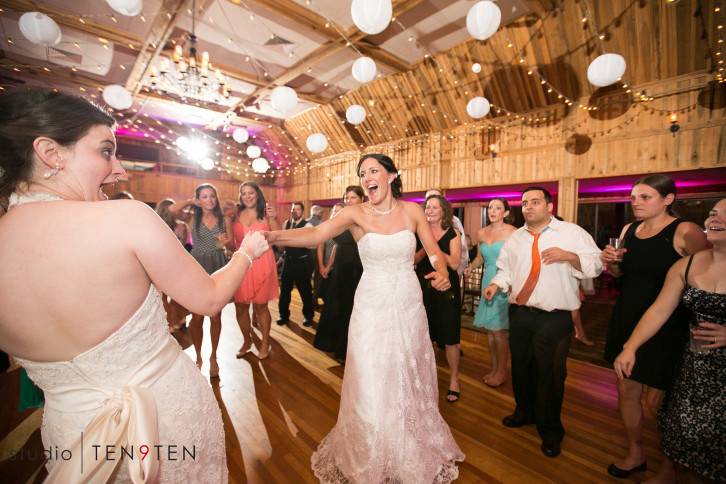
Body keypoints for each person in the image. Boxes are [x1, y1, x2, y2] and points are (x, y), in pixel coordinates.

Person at [0, 88, 269, 482]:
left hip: (71, 436)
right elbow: (208, 299)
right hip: (166, 417)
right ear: (50, 153)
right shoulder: (125, 218)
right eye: (106, 151)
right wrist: (246, 252)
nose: (120, 169)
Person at [265, 153, 464, 482]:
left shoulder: (412, 211)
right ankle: (369, 452)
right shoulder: (353, 213)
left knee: (406, 370)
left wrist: (442, 272)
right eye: (362, 173)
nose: (367, 176)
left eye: (374, 170)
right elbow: (316, 235)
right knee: (371, 376)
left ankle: (407, 448)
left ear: (391, 175)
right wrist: (273, 237)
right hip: (371, 303)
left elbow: (433, 252)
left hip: (408, 302)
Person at [601, 174, 708, 480]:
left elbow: (709, 280)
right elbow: (621, 275)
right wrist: (612, 263)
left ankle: (669, 465)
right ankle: (636, 452)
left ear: (668, 199)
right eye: (634, 197)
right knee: (627, 389)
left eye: (645, 197)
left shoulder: (684, 231)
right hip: (627, 318)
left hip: (669, 326)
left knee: (658, 402)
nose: (636, 203)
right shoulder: (629, 230)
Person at [483, 187, 603, 458]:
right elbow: (506, 270)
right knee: (522, 367)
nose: (528, 207)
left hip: (555, 317)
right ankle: (524, 412)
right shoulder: (516, 238)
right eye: (524, 203)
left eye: (535, 202)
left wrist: (570, 256)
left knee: (551, 374)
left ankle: (551, 429)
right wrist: (495, 284)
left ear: (549, 206)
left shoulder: (571, 233)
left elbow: (597, 265)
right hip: (521, 314)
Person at [170, 184, 233, 378]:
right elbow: (172, 209)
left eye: (212, 196)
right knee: (196, 317)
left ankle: (214, 356)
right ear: (199, 199)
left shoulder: (224, 218)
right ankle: (199, 356)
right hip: (197, 267)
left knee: (215, 316)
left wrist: (224, 243)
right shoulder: (191, 217)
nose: (209, 200)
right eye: (204, 197)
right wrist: (190, 201)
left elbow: (229, 241)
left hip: (217, 265)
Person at [414, 194, 463, 402]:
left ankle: (454, 379)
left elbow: (453, 263)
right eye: (427, 208)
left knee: (450, 335)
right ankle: (428, 377)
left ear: (443, 211)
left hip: (446, 288)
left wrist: (433, 246)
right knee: (426, 334)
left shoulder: (453, 234)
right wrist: (426, 247)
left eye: (434, 207)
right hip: (422, 288)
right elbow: (413, 259)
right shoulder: (417, 233)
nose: (430, 211)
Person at [466, 197, 516, 387]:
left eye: (497, 208)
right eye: (490, 208)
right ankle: (495, 368)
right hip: (487, 281)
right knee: (490, 331)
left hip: (503, 282)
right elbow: (480, 258)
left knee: (500, 332)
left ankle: (502, 371)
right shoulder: (481, 233)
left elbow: (516, 261)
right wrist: (471, 267)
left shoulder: (512, 232)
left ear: (506, 212)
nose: (492, 211)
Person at [313, 187, 365, 361]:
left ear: (361, 199)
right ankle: (334, 344)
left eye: (353, 197)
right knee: (337, 306)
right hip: (341, 267)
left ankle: (346, 350)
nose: (349, 200)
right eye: (347, 197)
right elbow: (333, 244)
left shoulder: (364, 218)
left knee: (351, 309)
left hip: (357, 267)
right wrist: (328, 265)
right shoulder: (342, 220)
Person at [232, 181, 280, 360]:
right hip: (242, 263)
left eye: (250, 192)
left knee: (261, 306)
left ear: (257, 194)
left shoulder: (266, 213)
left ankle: (265, 342)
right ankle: (247, 340)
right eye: (243, 193)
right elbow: (234, 241)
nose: (247, 196)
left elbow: (278, 238)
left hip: (262, 263)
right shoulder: (236, 214)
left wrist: (274, 218)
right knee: (240, 307)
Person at [277, 201, 315, 326]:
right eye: (293, 209)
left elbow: (311, 244)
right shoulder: (286, 223)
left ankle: (308, 317)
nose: (295, 211)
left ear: (302, 211)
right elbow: (283, 244)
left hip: (301, 262)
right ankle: (283, 316)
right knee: (284, 292)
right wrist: (280, 259)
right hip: (288, 262)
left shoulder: (307, 225)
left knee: (305, 292)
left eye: (298, 209)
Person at [426, 188, 468, 276]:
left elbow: (463, 251)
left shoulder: (455, 224)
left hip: (448, 277)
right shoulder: (420, 228)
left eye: (435, 207)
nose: (430, 210)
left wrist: (459, 273)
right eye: (428, 205)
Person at [316, 202, 344, 305]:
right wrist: (321, 266)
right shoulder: (327, 226)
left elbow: (336, 247)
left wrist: (328, 267)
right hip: (325, 266)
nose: (335, 213)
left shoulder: (344, 228)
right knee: (324, 294)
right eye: (334, 211)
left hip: (337, 267)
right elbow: (320, 245)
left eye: (339, 211)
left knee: (335, 297)